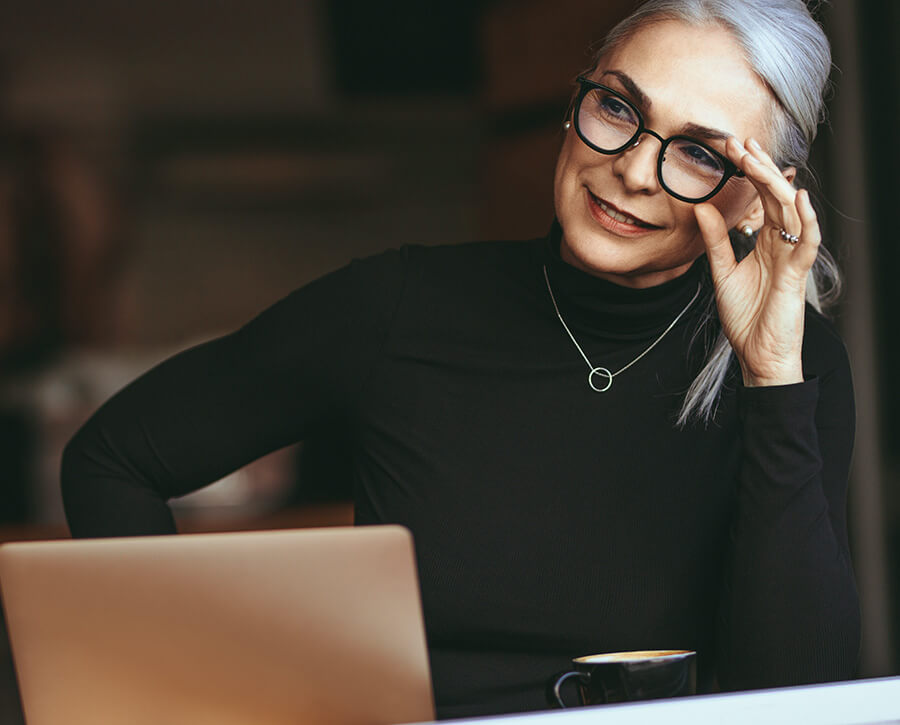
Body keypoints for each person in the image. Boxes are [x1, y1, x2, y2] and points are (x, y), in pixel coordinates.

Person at [61, 0, 860, 718]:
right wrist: (176, 692)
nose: (632, 170)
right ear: (577, 101)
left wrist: (771, 377)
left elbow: (792, 699)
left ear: (756, 196)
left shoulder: (794, 372)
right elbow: (113, 459)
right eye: (618, 107)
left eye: (697, 153)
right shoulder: (398, 306)